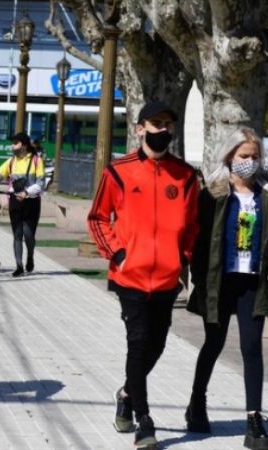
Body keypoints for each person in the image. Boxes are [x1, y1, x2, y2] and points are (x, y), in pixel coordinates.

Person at [87, 101, 199, 450]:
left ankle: (125, 392)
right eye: (154, 123)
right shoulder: (118, 172)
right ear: (139, 128)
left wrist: (182, 258)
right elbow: (97, 217)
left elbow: (194, 225)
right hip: (129, 278)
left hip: (167, 279)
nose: (161, 129)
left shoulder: (186, 176)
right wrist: (118, 254)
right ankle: (144, 420)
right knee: (137, 343)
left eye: (167, 124)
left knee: (157, 343)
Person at [185, 128, 268, 449]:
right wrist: (200, 281)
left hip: (252, 284)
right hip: (219, 282)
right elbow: (200, 242)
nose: (250, 162)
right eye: (244, 156)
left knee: (251, 349)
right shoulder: (214, 195)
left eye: (255, 156)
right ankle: (196, 403)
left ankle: (254, 419)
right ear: (230, 156)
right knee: (213, 343)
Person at [0, 132, 45, 276]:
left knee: (28, 235)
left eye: (15, 143)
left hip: (31, 202)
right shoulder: (11, 161)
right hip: (15, 201)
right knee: (17, 234)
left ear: (24, 145)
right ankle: (19, 266)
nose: (12, 146)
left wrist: (26, 193)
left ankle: (30, 256)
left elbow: (41, 183)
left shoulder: (36, 161)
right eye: (12, 143)